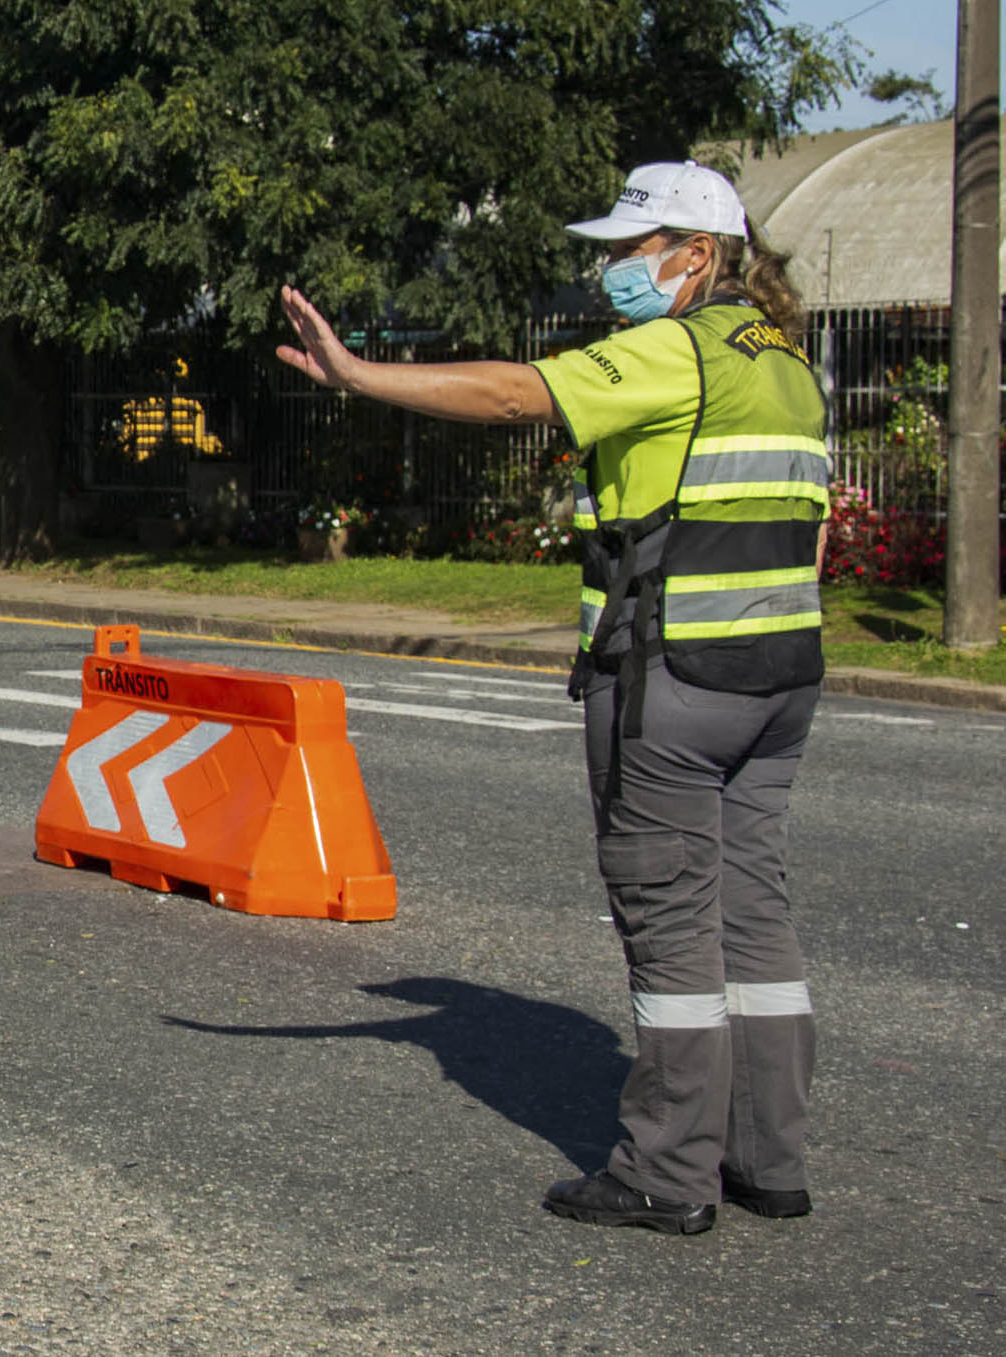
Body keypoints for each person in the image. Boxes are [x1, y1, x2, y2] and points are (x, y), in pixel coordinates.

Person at [276, 161, 827, 1235]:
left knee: (668, 921)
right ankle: (770, 1158)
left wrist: (357, 374)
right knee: (752, 915)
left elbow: (516, 393)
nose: (610, 267)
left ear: (695, 255)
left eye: (629, 249)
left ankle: (668, 1173)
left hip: (672, 678)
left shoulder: (677, 350)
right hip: (777, 681)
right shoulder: (786, 361)